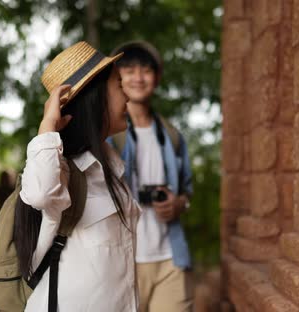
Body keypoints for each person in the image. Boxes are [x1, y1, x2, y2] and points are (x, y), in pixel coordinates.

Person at [17, 41, 141, 311]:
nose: (128, 96)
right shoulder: (62, 172)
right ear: (96, 97)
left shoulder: (112, 169)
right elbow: (39, 194)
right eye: (119, 85)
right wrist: (47, 125)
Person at [109, 41, 194, 312]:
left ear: (156, 77)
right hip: (122, 261)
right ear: (116, 77)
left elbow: (187, 191)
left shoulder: (172, 136)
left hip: (170, 258)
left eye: (145, 70)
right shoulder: (105, 136)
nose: (137, 77)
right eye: (129, 70)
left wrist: (179, 203)